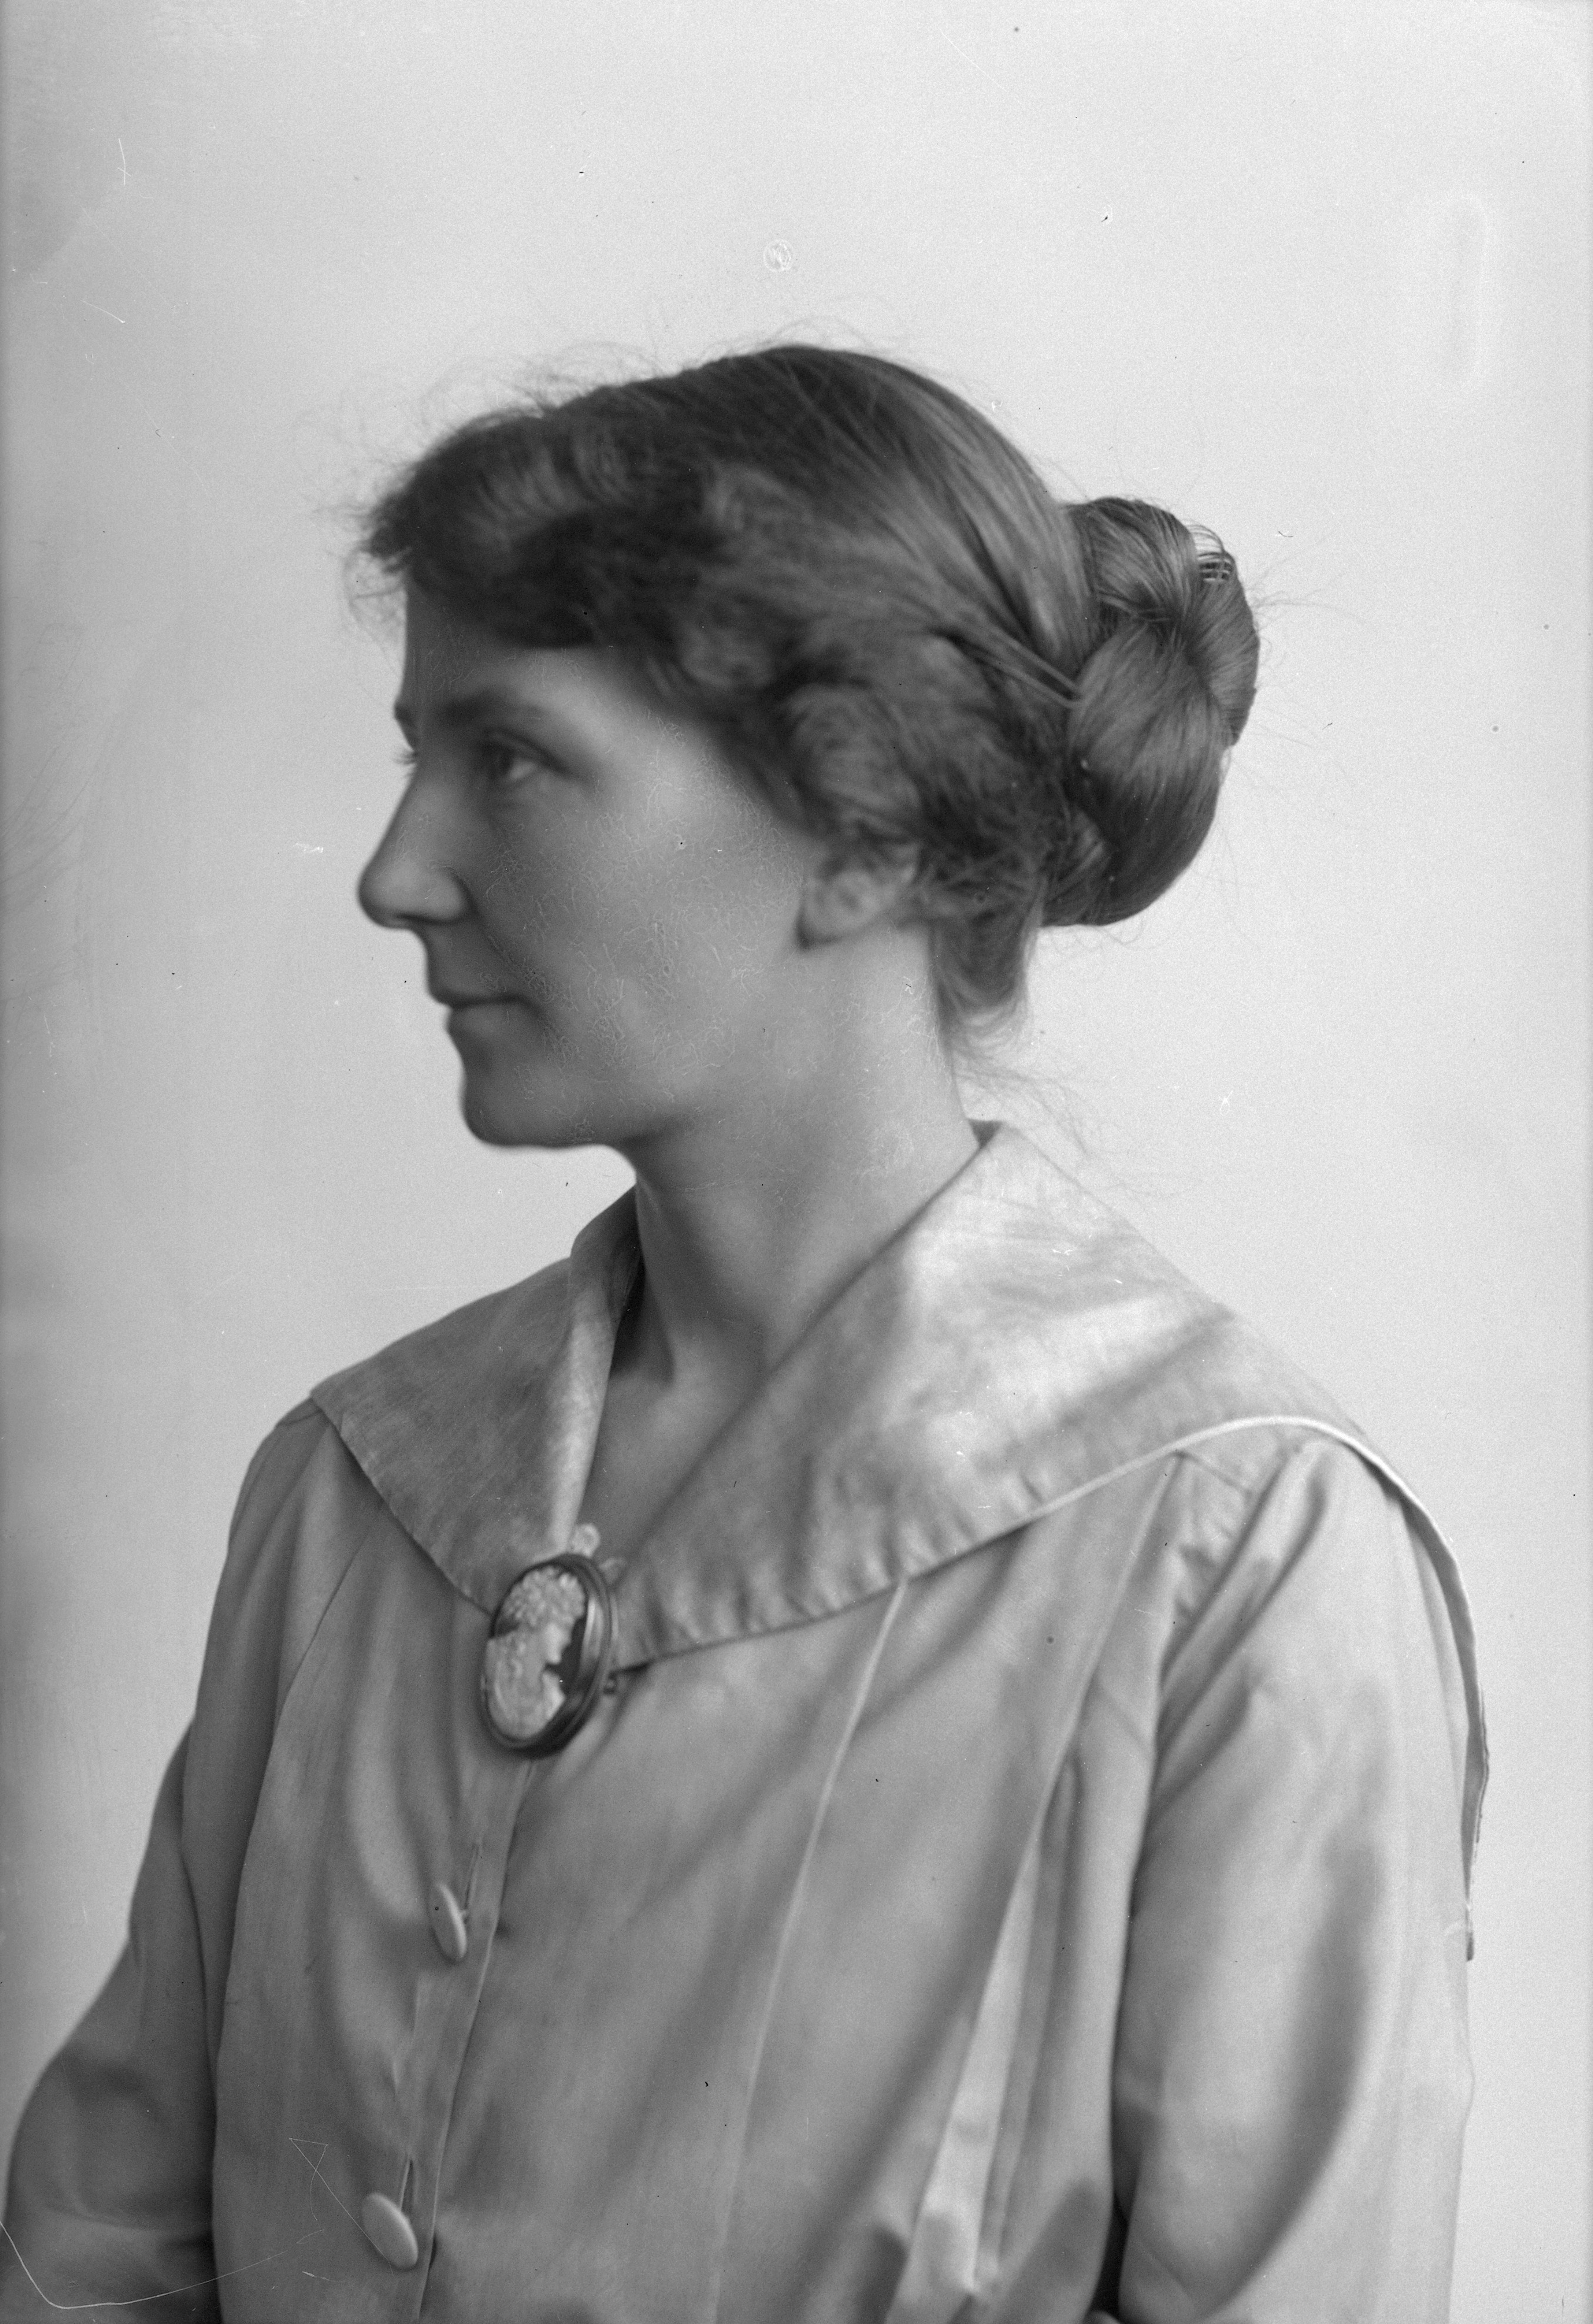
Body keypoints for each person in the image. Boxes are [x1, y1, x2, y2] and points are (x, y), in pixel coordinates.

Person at [0, 345, 1484, 2323]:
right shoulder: (355, 1486)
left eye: (509, 759)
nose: (393, 873)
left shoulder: (1231, 1561)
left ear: (862, 832)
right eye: (414, 755)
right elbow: (100, 2258)